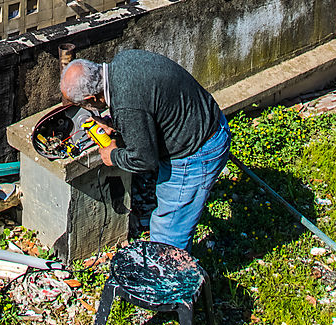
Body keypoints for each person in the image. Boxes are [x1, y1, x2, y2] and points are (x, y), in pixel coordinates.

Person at [60, 50, 231, 252]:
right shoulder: (123, 60)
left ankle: (167, 278)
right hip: (209, 118)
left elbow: (144, 160)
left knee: (168, 228)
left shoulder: (127, 107)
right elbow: (148, 103)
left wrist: (113, 155)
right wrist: (118, 124)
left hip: (197, 151)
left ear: (93, 98)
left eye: (84, 104)